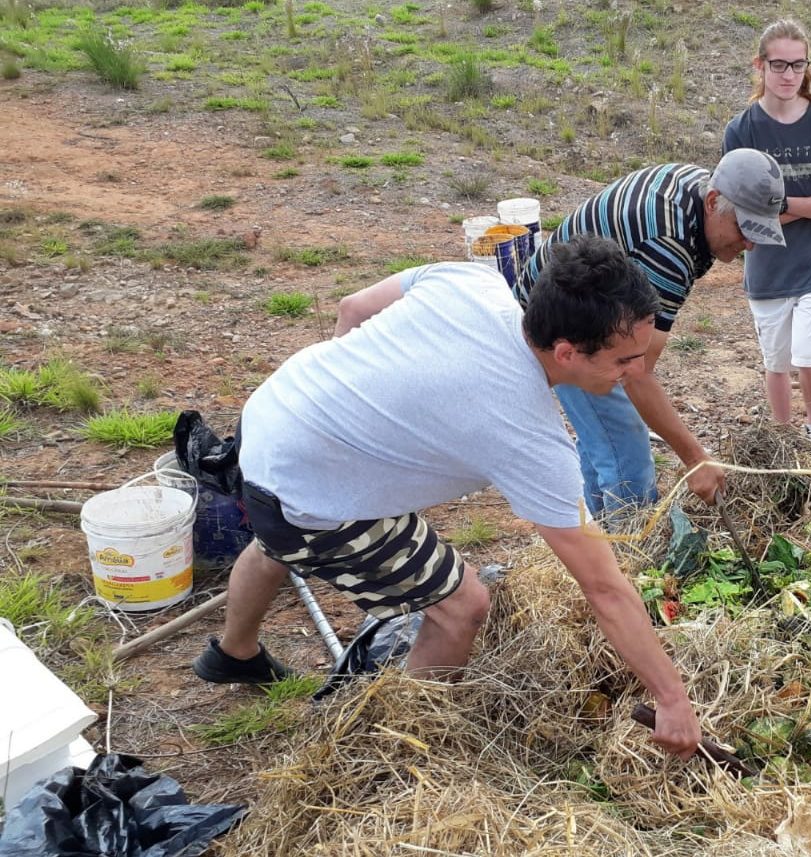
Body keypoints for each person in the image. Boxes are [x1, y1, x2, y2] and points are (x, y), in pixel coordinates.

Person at [191, 236, 701, 758]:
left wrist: (352, 410)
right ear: (568, 352)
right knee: (463, 606)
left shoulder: (473, 283)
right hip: (303, 493)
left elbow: (351, 310)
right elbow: (605, 589)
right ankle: (407, 747)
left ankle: (234, 652)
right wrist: (672, 697)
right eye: (624, 360)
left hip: (274, 415)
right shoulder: (529, 440)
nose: (636, 373)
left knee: (282, 514)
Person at [513, 149, 787, 520]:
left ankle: (598, 542)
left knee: (604, 442)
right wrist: (695, 459)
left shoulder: (698, 191)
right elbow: (634, 371)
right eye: (744, 229)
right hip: (562, 328)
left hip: (583, 308)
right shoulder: (668, 243)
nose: (750, 245)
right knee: (626, 453)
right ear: (712, 202)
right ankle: (631, 560)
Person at [723, 18, 811, 447]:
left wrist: (780, 207)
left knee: (806, 352)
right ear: (759, 66)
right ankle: (783, 436)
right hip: (766, 265)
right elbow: (742, 215)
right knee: (776, 360)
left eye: (797, 66)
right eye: (779, 65)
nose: (788, 75)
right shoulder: (741, 130)